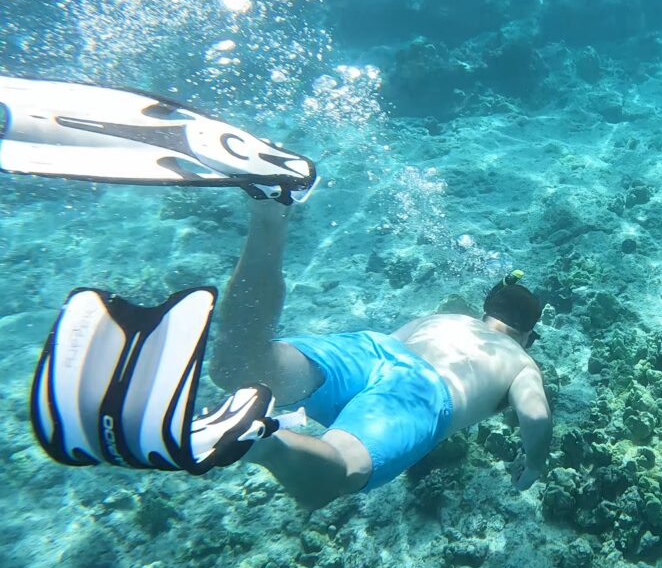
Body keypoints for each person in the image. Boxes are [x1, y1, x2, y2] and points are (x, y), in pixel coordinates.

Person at [208, 201, 552, 509]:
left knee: (243, 367)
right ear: (526, 335)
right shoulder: (520, 361)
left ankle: (270, 212)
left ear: (485, 314)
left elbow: (386, 360)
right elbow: (535, 416)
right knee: (334, 475)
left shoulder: (446, 318)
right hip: (422, 391)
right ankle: (258, 440)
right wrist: (534, 464)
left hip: (375, 350)